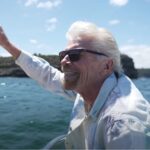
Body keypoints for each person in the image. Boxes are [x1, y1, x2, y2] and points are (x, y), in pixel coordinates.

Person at [0, 21, 150, 149]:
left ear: (106, 65)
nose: (63, 61)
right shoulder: (89, 86)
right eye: (63, 55)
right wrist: (6, 44)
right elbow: (47, 75)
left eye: (74, 55)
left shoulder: (122, 125)